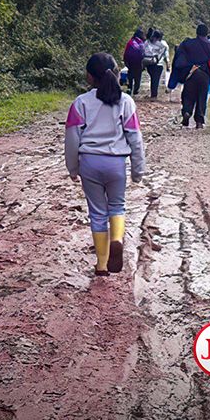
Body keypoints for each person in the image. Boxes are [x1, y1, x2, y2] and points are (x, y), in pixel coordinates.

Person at [65, 53, 146, 276]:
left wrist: (72, 168)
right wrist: (138, 170)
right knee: (117, 206)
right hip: (116, 164)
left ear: (89, 77)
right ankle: (117, 240)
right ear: (117, 74)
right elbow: (135, 138)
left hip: (89, 163)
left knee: (97, 213)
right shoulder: (126, 102)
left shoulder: (80, 103)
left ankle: (101, 265)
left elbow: (72, 138)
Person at [171, 23, 210, 128]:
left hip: (190, 73)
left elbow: (178, 56)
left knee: (188, 95)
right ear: (207, 34)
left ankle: (187, 112)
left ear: (196, 32)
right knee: (202, 97)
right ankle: (199, 121)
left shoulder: (188, 43)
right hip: (204, 74)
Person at [142, 28, 169, 100]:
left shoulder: (148, 43)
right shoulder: (163, 44)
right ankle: (154, 95)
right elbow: (166, 56)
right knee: (155, 79)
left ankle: (153, 95)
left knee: (153, 79)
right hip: (158, 65)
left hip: (150, 63)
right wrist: (168, 64)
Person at [122, 28, 147, 96]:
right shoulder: (141, 43)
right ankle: (136, 90)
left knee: (130, 75)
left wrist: (125, 61)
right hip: (139, 62)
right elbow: (144, 53)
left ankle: (129, 89)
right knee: (138, 76)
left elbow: (126, 52)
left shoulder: (131, 42)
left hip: (130, 62)